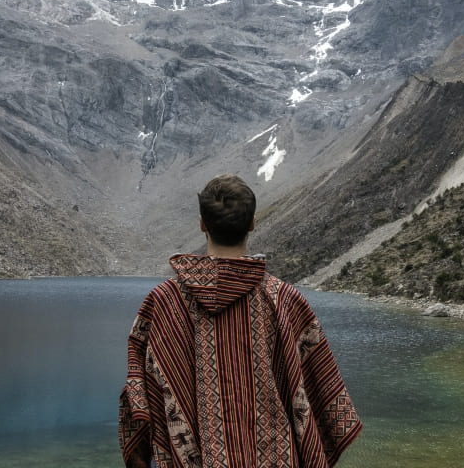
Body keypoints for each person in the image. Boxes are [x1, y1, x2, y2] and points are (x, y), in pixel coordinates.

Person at [119, 174, 362, 468]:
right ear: (252, 224)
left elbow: (137, 396)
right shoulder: (285, 301)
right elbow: (324, 396)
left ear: (202, 224)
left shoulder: (162, 303)